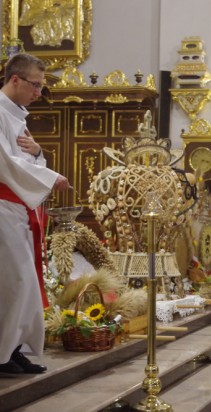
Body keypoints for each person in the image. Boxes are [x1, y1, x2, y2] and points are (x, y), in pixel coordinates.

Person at [0, 53, 70, 374]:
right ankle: (4, 354)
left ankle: (11, 350)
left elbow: (26, 160)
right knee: (17, 281)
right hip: (3, 208)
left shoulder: (16, 115)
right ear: (15, 79)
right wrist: (50, 177)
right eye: (35, 85)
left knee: (21, 283)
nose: (39, 93)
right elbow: (5, 164)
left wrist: (40, 153)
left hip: (18, 209)